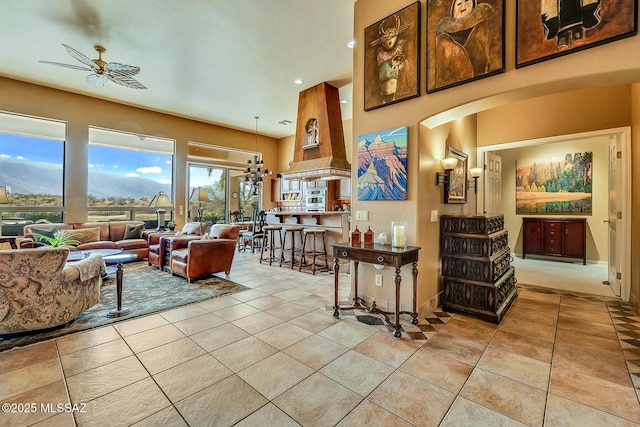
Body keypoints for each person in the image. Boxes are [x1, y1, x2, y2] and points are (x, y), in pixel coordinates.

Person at [435, 0, 494, 88]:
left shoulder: (483, 24)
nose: (463, 7)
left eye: (467, 2)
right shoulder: (442, 38)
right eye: (459, 4)